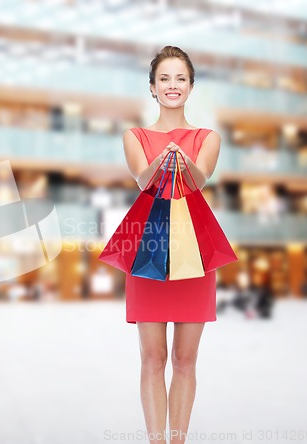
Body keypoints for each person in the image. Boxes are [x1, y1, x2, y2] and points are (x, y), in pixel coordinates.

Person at [121, 46, 222, 444]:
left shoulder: (207, 138)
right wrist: (162, 159)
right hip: (148, 253)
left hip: (195, 256)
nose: (172, 85)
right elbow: (143, 181)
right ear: (152, 88)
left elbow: (199, 181)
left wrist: (184, 161)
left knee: (184, 360)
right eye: (165, 78)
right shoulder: (136, 137)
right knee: (152, 359)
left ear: (191, 86)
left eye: (180, 78)